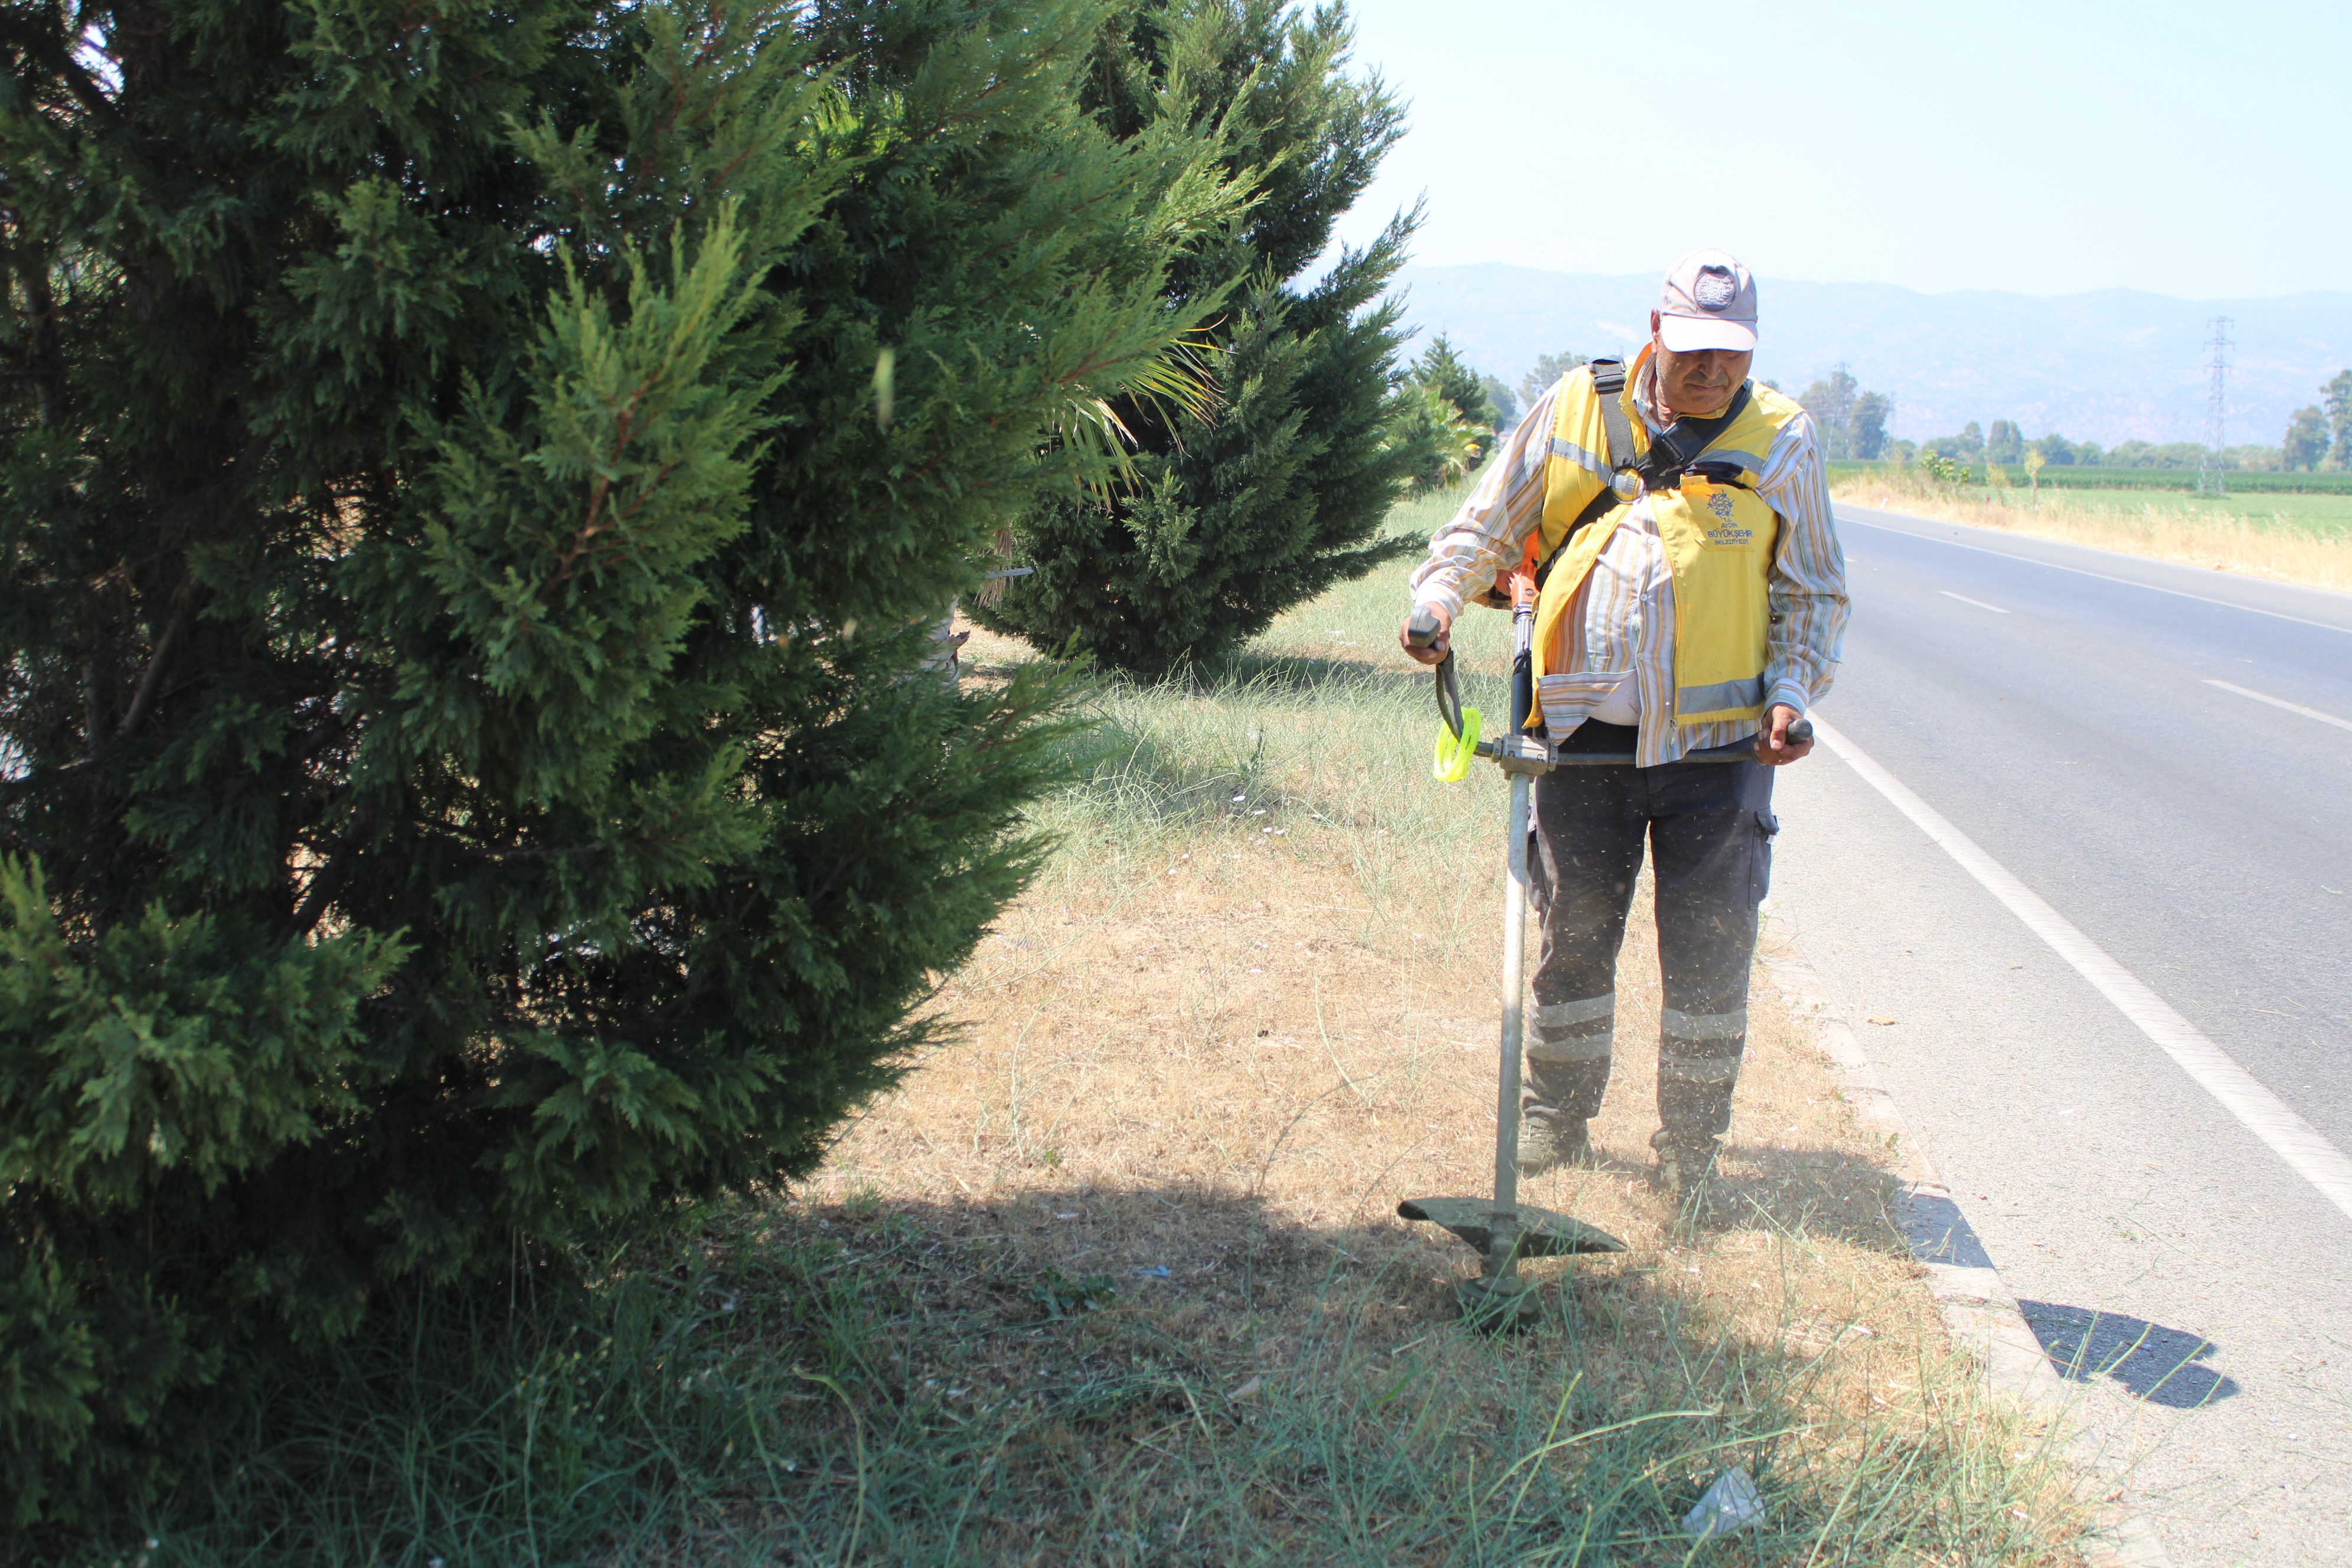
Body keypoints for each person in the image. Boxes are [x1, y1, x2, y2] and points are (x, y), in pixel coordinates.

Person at [1397, 249, 1848, 1191]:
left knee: (1709, 961)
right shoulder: (1576, 409)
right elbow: (1484, 527)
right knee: (1573, 941)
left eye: (1731, 355)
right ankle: (1557, 1129)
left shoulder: (1784, 440)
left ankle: (1691, 1157)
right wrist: (1437, 603)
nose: (1711, 371)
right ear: (1656, 331)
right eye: (1693, 350)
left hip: (1718, 752)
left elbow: (1811, 598)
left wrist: (1791, 699)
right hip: (1578, 742)